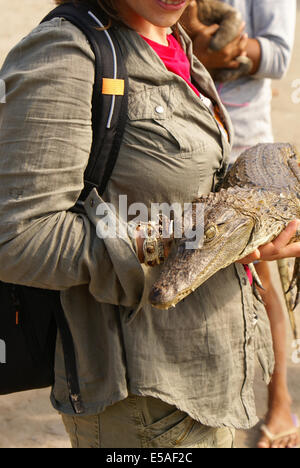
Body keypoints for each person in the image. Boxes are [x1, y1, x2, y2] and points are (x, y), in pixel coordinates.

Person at [0, 0, 300, 449]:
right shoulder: (66, 53)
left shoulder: (172, 37)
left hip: (208, 378)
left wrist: (248, 226)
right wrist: (183, 237)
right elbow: (16, 239)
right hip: (144, 403)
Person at [181, 0, 298, 449]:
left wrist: (217, 52)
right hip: (186, 140)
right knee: (193, 259)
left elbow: (278, 57)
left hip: (246, 147)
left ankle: (280, 400)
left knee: (264, 275)